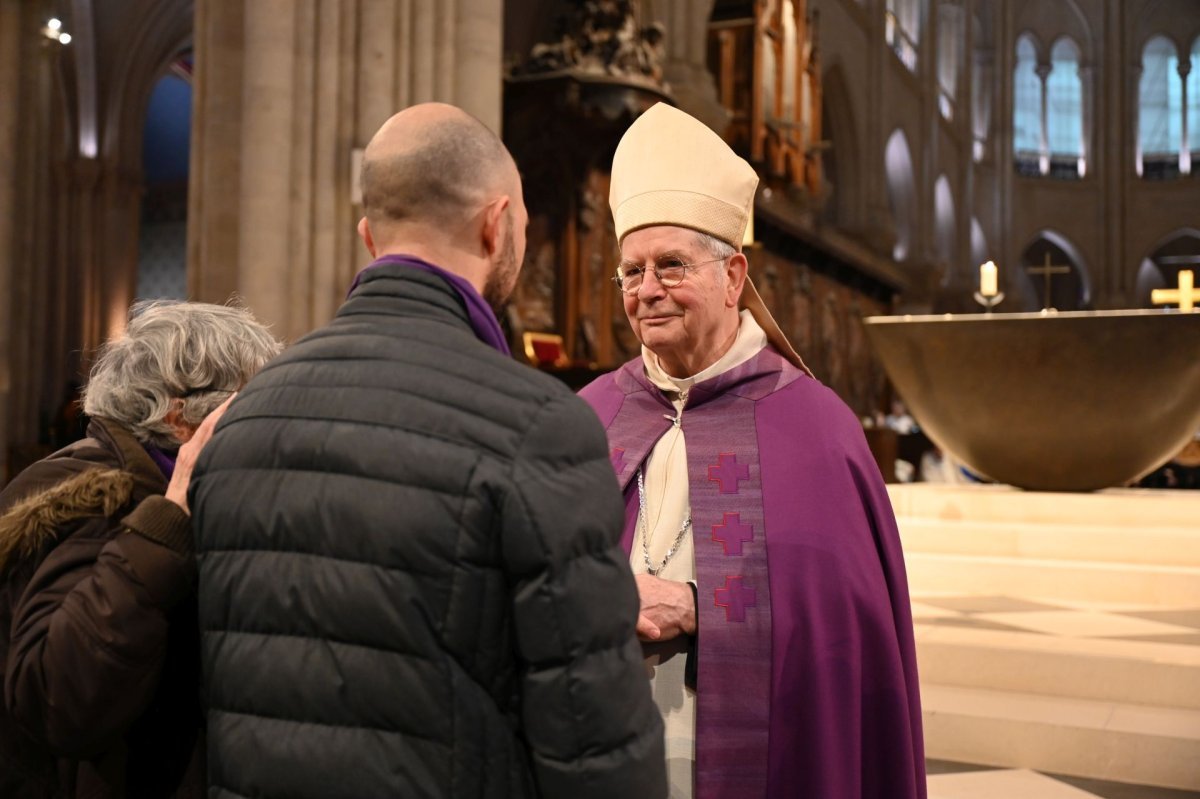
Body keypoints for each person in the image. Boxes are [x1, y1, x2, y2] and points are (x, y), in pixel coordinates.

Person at [187, 103, 666, 799]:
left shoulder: (244, 417)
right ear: (496, 224)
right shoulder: (536, 426)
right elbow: (595, 744)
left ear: (367, 235)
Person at [579, 102, 925, 799]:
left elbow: (844, 626)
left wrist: (700, 608)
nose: (647, 290)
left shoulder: (815, 429)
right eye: (631, 271)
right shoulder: (589, 416)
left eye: (671, 266)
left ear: (734, 276)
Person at [0, 300, 281, 798]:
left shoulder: (189, 488)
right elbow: (60, 699)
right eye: (246, 407)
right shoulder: (82, 492)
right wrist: (164, 524)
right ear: (180, 419)